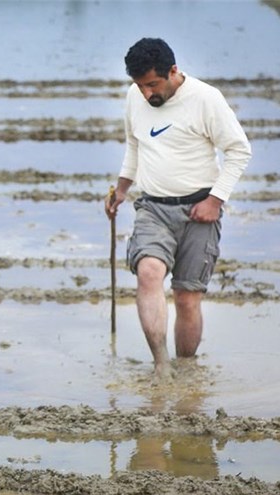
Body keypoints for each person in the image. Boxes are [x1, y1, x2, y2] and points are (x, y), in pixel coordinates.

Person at [105, 38, 251, 378]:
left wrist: (215, 200)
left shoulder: (206, 99)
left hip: (199, 210)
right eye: (139, 86)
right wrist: (122, 189)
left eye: (152, 85)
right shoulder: (134, 97)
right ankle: (161, 365)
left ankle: (185, 367)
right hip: (153, 207)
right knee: (149, 273)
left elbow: (239, 151)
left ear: (173, 71)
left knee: (187, 299)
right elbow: (134, 144)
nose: (145, 94)